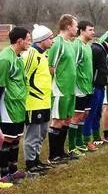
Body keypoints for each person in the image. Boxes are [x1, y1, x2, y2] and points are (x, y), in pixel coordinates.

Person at [0, 27, 30, 183]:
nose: (29, 43)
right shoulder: (5, 59)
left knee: (17, 137)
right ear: (20, 41)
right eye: (28, 40)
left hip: (18, 104)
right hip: (8, 106)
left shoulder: (18, 56)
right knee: (7, 139)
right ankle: (2, 175)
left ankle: (13, 170)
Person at [22, 24, 54, 173]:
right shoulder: (30, 54)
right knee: (32, 135)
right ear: (42, 40)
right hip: (33, 103)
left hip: (45, 101)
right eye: (50, 38)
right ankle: (30, 164)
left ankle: (36, 160)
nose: (53, 41)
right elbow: (23, 78)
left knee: (41, 134)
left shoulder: (44, 55)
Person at [48, 14, 79, 162]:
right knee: (57, 120)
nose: (77, 28)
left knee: (66, 119)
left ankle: (61, 152)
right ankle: (53, 155)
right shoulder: (57, 43)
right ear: (68, 26)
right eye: (75, 26)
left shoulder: (70, 44)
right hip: (60, 89)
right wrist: (57, 83)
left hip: (70, 89)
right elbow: (50, 67)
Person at [83, 34, 108, 148]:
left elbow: (104, 69)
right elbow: (90, 68)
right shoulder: (97, 50)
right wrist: (91, 84)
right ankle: (86, 139)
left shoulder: (103, 51)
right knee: (91, 113)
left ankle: (96, 136)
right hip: (94, 86)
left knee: (97, 112)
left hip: (101, 86)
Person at [68, 20, 95, 157]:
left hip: (88, 87)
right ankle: (72, 147)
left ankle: (79, 142)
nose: (93, 32)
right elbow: (73, 66)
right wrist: (76, 84)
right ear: (82, 31)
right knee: (76, 116)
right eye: (90, 30)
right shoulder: (77, 45)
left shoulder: (88, 46)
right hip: (79, 87)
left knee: (84, 115)